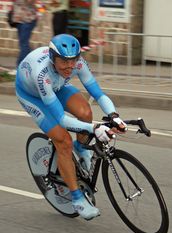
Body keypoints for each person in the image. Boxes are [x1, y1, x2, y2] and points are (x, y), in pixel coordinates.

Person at [15, 34, 126, 220]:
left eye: (73, 60)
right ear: (53, 58)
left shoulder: (78, 63)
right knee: (63, 140)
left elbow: (98, 93)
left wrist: (115, 116)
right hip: (33, 95)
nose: (69, 66)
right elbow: (61, 119)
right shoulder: (43, 75)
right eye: (64, 62)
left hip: (56, 87)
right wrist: (94, 128)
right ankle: (77, 199)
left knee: (85, 112)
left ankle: (81, 148)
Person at [10, 0, 37, 74]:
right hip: (19, 20)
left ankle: (20, 68)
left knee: (24, 44)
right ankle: (34, 64)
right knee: (24, 44)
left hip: (28, 19)